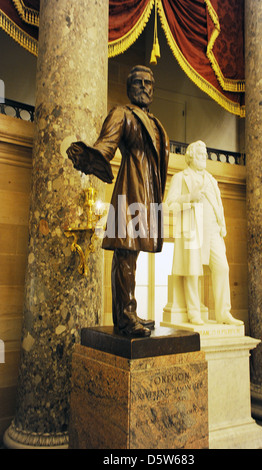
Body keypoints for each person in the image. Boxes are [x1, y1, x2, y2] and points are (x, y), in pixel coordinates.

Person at [67, 65, 169, 337]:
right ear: (128, 87)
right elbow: (105, 146)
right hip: (128, 190)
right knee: (125, 252)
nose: (144, 87)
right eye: (138, 82)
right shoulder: (121, 114)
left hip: (149, 195)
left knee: (133, 254)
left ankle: (131, 312)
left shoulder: (157, 125)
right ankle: (124, 318)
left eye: (149, 83)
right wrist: (88, 156)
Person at [166, 140, 243, 326]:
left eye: (205, 154)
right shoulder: (180, 177)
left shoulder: (211, 179)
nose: (204, 157)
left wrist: (222, 224)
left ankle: (223, 313)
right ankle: (194, 313)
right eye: (200, 154)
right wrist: (189, 198)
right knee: (192, 271)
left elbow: (218, 203)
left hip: (212, 229)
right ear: (191, 157)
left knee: (222, 267)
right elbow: (169, 205)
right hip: (192, 228)